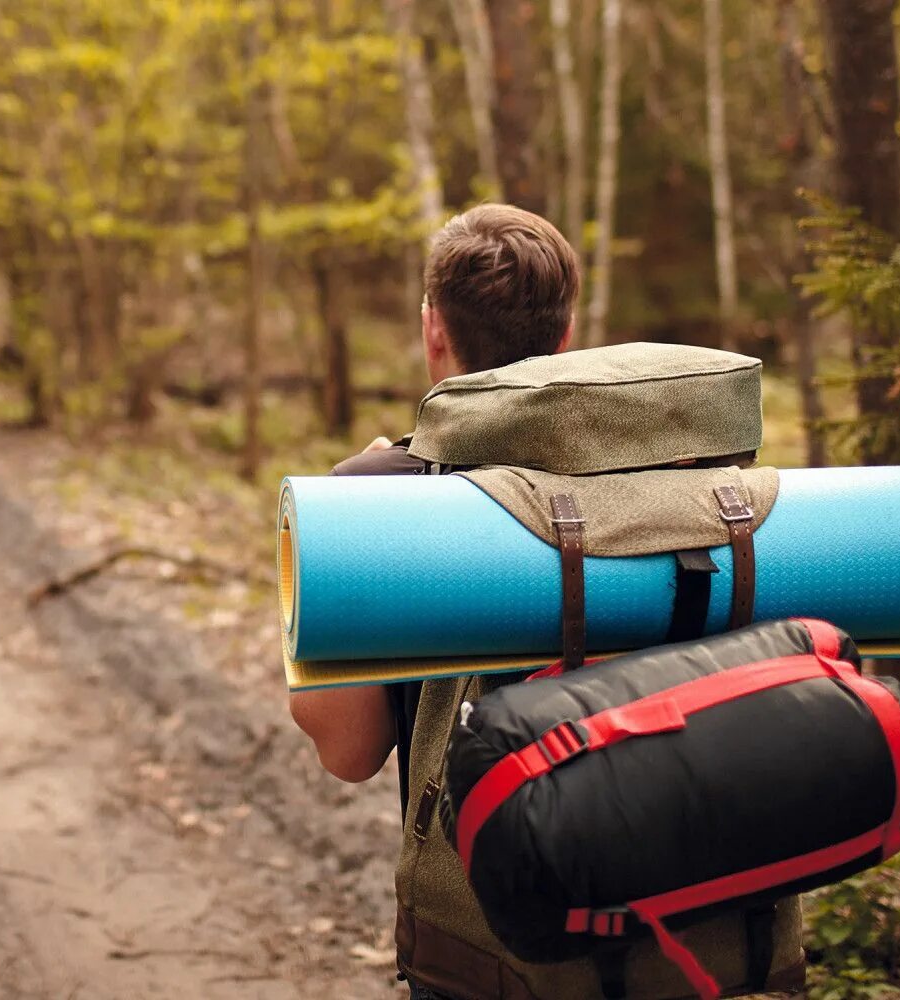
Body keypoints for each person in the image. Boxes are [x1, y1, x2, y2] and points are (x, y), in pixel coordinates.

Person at [289, 203, 578, 998]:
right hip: (658, 914)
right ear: (565, 339)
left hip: (475, 941)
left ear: (433, 332)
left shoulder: (376, 497)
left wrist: (339, 524)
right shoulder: (652, 483)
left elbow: (346, 752)